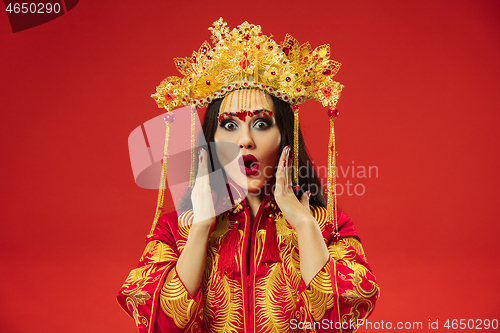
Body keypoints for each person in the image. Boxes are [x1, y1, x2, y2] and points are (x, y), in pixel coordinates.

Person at [117, 19, 379, 333]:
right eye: (229, 126)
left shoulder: (329, 226)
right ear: (210, 142)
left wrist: (305, 225)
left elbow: (339, 318)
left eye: (261, 124)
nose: (244, 140)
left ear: (286, 136)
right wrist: (200, 228)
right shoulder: (175, 230)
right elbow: (157, 321)